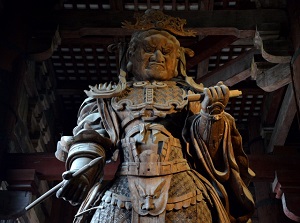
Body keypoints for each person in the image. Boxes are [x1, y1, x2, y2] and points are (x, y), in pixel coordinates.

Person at [55, 9, 255, 223]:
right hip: (123, 188)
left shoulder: (193, 96)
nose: (158, 56)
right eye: (149, 49)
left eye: (166, 51)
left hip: (183, 182)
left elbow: (205, 149)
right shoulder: (107, 98)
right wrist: (80, 172)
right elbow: (91, 138)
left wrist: (211, 115)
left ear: (178, 60)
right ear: (130, 56)